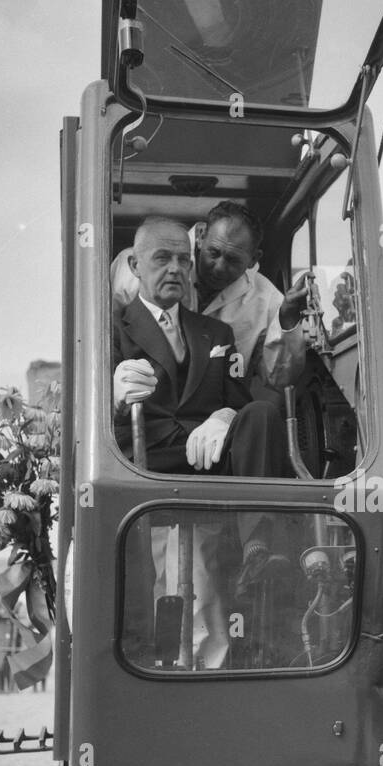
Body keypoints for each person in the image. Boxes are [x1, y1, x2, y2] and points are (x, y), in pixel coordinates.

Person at [112, 216, 291, 665]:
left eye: (182, 260)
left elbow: (241, 397)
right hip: (143, 462)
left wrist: (226, 415)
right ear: (134, 264)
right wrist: (112, 397)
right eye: (161, 259)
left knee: (263, 414)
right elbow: (85, 411)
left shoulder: (217, 334)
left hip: (204, 455)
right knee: (155, 592)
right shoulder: (109, 332)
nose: (175, 269)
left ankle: (258, 549)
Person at [111, 202, 310, 390]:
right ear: (200, 235)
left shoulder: (266, 300)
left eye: (233, 260)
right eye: (214, 253)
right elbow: (104, 334)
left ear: (253, 259)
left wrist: (289, 319)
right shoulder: (138, 269)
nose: (220, 267)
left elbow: (280, 379)